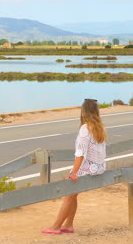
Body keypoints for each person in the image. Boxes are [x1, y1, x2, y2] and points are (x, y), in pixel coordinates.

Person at [41, 99, 107, 235]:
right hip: (98, 168)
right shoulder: (99, 127)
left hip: (87, 168)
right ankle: (69, 225)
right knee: (73, 195)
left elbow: (80, 153)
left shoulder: (85, 128)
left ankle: (55, 227)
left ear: (84, 112)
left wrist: (74, 172)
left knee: (68, 196)